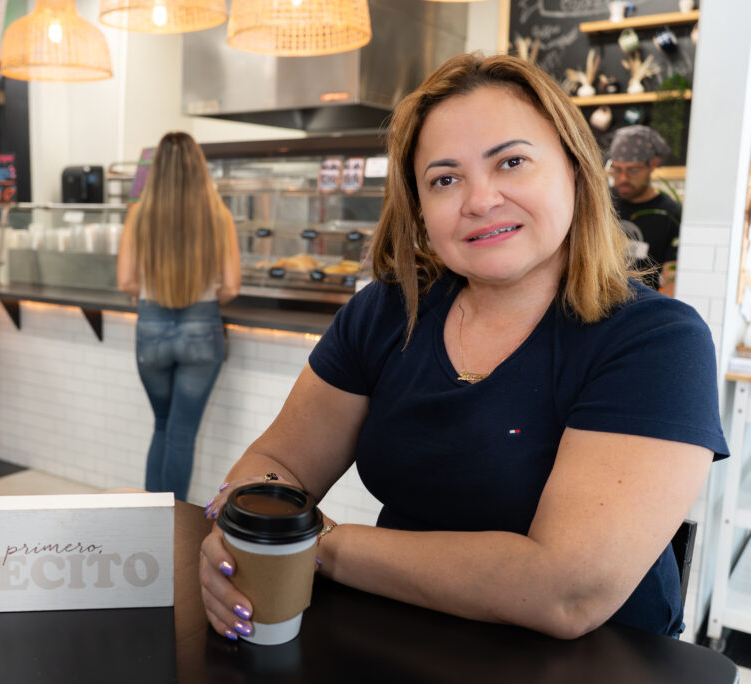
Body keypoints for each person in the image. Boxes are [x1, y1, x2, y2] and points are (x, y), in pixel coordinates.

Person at [199, 53, 727, 642]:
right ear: (421, 212)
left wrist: (321, 547)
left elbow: (566, 591)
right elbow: (281, 465)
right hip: (396, 640)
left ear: (576, 172)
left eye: (512, 162)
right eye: (445, 179)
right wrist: (240, 541)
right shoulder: (388, 311)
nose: (480, 200)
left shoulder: (657, 342)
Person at [117, 131, 241, 502]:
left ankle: (150, 520)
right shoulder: (218, 214)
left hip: (151, 329)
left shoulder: (139, 214)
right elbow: (232, 287)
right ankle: (172, 527)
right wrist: (200, 299)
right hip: (201, 330)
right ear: (198, 167)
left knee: (161, 426)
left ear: (157, 170)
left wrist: (157, 296)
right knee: (182, 434)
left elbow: (126, 280)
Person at [608, 125, 682, 292]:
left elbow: (671, 278)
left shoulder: (670, 214)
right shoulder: (602, 200)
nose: (623, 178)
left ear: (653, 164)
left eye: (633, 170)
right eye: (617, 170)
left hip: (641, 307)